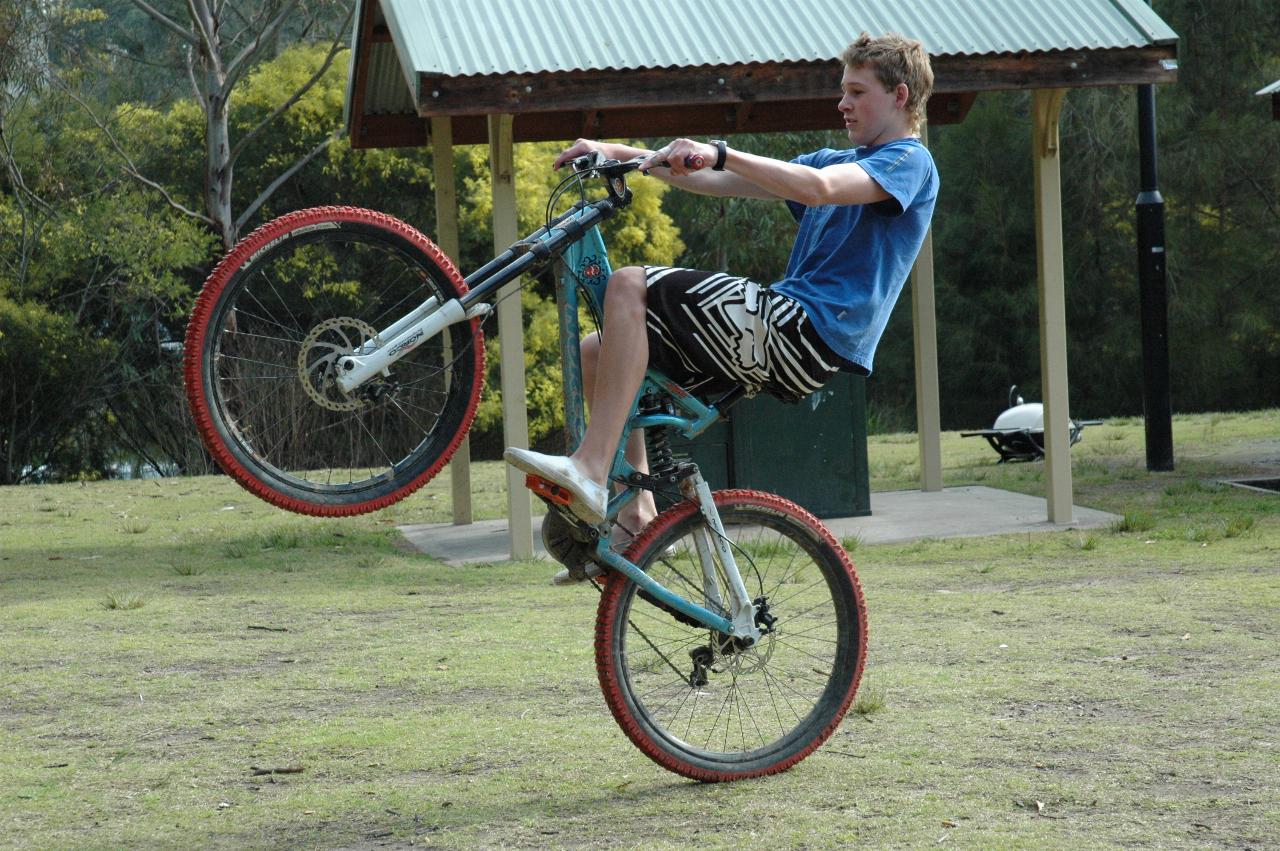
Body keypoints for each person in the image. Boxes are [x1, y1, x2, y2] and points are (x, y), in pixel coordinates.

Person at [506, 32, 939, 581]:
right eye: (842, 90)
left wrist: (723, 148)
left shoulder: (909, 162)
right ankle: (637, 515)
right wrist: (616, 153)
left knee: (628, 285)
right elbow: (713, 177)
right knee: (600, 348)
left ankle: (589, 468)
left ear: (900, 96)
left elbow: (820, 188)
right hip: (783, 332)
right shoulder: (837, 157)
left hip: (805, 330)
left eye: (856, 92)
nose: (842, 103)